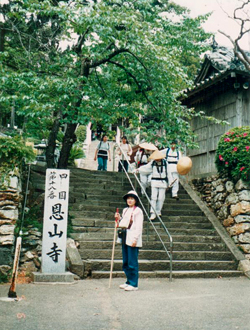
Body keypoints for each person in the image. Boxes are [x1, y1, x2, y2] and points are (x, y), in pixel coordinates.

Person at [115, 190, 143, 291]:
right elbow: (123, 223)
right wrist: (118, 218)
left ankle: (134, 283)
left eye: (132, 198)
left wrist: (135, 239)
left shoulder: (138, 211)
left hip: (132, 237)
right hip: (125, 236)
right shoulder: (125, 210)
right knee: (126, 261)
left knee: (132, 261)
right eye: (128, 198)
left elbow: (139, 226)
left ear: (135, 200)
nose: (129, 200)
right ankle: (128, 281)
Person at [134, 150, 168, 220]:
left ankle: (158, 211)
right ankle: (152, 213)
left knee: (161, 198)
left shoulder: (165, 163)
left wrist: (170, 183)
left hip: (163, 182)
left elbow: (169, 173)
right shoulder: (153, 163)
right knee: (153, 197)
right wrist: (138, 170)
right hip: (155, 181)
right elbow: (146, 168)